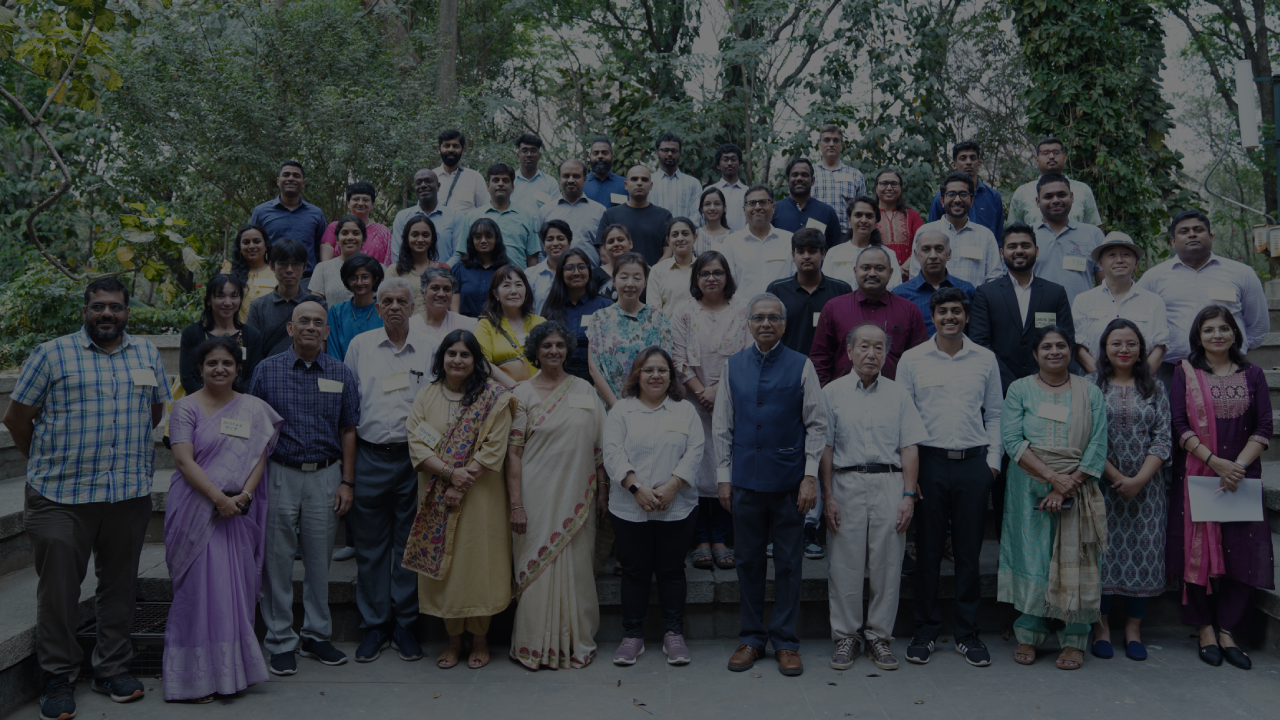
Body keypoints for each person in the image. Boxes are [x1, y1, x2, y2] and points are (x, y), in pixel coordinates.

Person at [3, 277, 170, 719]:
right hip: (61, 495)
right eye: (98, 307)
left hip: (126, 493)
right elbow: (18, 417)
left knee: (119, 587)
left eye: (115, 307)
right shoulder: (52, 353)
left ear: (127, 312)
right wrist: (43, 462)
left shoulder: (146, 353)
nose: (107, 315)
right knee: (58, 592)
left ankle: (112, 669)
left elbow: (154, 411)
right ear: (85, 310)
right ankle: (58, 676)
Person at [162, 337, 282, 702]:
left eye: (227, 363)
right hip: (197, 509)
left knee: (232, 591)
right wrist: (219, 499)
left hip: (237, 513)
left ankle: (233, 673)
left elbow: (259, 457)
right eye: (212, 363)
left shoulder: (254, 408)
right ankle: (193, 681)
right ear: (200, 369)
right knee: (198, 593)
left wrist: (242, 497)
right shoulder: (185, 407)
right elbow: (184, 460)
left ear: (237, 368)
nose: (219, 369)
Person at [713, 293, 827, 676]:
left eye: (773, 318)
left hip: (789, 481)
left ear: (783, 323)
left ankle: (786, 641)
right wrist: (725, 478)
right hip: (745, 481)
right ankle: (751, 638)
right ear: (748, 323)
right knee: (746, 561)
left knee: (790, 563)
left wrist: (810, 476)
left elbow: (817, 425)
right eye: (758, 317)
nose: (765, 323)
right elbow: (722, 426)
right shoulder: (734, 366)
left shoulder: (801, 365)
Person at [248, 301, 359, 676]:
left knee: (318, 559)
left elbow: (348, 429)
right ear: (290, 329)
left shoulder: (341, 372)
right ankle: (280, 640)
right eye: (303, 321)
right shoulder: (267, 371)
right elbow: (256, 428)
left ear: (327, 332)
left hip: (327, 475)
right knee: (277, 560)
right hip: (280, 473)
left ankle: (316, 635)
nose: (311, 327)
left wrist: (347, 480)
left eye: (318, 322)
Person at [896, 288, 1004, 667]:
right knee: (926, 552)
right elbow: (903, 419)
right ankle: (924, 631)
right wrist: (910, 475)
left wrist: (992, 465)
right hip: (928, 463)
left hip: (974, 464)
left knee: (969, 554)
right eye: (943, 311)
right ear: (933, 315)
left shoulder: (985, 359)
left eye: (956, 311)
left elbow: (995, 414)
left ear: (967, 316)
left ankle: (967, 633)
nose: (950, 318)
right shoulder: (912, 359)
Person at [403, 330, 517, 670]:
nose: (457, 360)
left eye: (465, 354)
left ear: (476, 361)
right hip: (437, 492)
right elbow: (416, 439)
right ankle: (453, 640)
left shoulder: (493, 397)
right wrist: (450, 474)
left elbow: (494, 446)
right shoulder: (427, 394)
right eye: (451, 353)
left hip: (481, 496)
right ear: (442, 358)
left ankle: (480, 637)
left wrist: (464, 479)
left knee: (478, 563)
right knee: (447, 569)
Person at [1169, 306, 1274, 670]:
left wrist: (1238, 467)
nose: (1217, 335)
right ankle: (1205, 629)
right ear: (1198, 336)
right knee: (1198, 549)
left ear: (1235, 334)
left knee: (1241, 551)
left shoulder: (1254, 374)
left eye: (1224, 329)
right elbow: (1179, 424)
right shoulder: (1187, 373)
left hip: (1242, 476)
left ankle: (1228, 630)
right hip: (1200, 472)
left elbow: (1264, 426)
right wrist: (1215, 462)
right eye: (1209, 329)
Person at [998, 326, 1108, 671]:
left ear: (1071, 351)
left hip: (1078, 485)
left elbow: (1099, 443)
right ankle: (1029, 631)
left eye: (1062, 346)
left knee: (1078, 559)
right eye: (1047, 347)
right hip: (1029, 485)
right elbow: (1012, 440)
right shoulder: (1020, 389)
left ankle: (1075, 638)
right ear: (1035, 354)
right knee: (1033, 557)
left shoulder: (1089, 392)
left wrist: (1067, 484)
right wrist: (1051, 479)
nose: (1055, 352)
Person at [822, 323, 927, 671]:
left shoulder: (898, 394)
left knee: (888, 564)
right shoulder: (832, 393)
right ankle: (847, 637)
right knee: (844, 564)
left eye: (879, 348)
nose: (871, 353)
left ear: (886, 354)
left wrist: (909, 495)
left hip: (889, 483)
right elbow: (826, 448)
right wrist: (828, 496)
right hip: (845, 483)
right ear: (849, 351)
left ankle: (879, 637)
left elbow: (909, 446)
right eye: (864, 346)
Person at [507, 321, 607, 669]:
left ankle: (573, 642)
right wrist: (516, 504)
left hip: (578, 495)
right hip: (535, 496)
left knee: (577, 570)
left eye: (560, 345)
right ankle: (534, 645)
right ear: (535, 350)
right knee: (536, 567)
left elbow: (599, 448)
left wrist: (603, 492)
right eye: (546, 345)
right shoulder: (521, 393)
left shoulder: (583, 389)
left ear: (568, 350)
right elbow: (513, 454)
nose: (553, 351)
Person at [343, 278, 431, 664]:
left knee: (410, 545)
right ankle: (376, 624)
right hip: (370, 456)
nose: (394, 306)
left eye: (401, 300)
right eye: (386, 301)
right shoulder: (360, 346)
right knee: (370, 546)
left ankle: (406, 624)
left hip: (416, 460)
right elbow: (348, 404)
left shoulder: (430, 348)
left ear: (414, 307)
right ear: (376, 308)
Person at [604, 346, 705, 666]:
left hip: (676, 506)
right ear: (637, 374)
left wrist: (673, 486)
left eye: (662, 370)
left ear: (671, 376)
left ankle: (673, 634)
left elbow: (695, 451)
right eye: (648, 370)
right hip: (628, 506)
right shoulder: (621, 410)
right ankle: (632, 636)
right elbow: (612, 452)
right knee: (634, 572)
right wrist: (635, 488)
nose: (656, 376)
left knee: (672, 570)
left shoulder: (684, 410)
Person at [1085, 319, 1170, 662]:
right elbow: (1086, 436)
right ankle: (1101, 627)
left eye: (1131, 343)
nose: (1124, 350)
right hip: (1101, 487)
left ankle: (1133, 629)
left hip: (1147, 491)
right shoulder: (1091, 385)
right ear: (1104, 348)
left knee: (1144, 557)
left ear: (1141, 349)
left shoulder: (1156, 387)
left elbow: (1163, 437)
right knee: (1101, 558)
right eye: (1116, 343)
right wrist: (1117, 477)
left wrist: (1138, 480)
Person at [671, 251, 752, 570]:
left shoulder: (744, 310)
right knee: (696, 465)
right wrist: (702, 392)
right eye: (704, 273)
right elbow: (677, 359)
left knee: (724, 465)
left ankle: (721, 538)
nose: (711, 279)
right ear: (696, 279)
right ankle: (701, 540)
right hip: (693, 403)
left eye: (717, 273)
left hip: (733, 400)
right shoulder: (684, 312)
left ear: (727, 276)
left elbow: (748, 353)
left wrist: (718, 391)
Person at [1136, 210, 1269, 386]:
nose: (1192, 234)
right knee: (1174, 414)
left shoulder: (1241, 273)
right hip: (1171, 369)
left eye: (1198, 229)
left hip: (1227, 367)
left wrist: (1233, 350)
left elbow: (1258, 324)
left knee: (1230, 414)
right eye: (1184, 231)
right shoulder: (1153, 278)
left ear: (1211, 236)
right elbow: (1137, 320)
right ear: (1173, 242)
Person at [969, 223, 1076, 392]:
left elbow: (1067, 340)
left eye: (1026, 246)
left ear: (1037, 251)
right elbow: (980, 343)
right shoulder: (986, 293)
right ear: (1002, 253)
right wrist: (1012, 384)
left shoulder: (1055, 293)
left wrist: (1040, 381)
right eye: (1012, 246)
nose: (1019, 251)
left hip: (1047, 385)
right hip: (999, 387)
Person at [812, 245, 927, 383]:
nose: (872, 273)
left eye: (879, 269)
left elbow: (921, 359)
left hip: (894, 398)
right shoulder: (834, 308)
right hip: (842, 399)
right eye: (865, 268)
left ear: (891, 273)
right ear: (855, 271)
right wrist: (824, 396)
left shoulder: (908, 310)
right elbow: (820, 358)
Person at [1072, 232, 1168, 374]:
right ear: (1100, 263)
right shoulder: (1083, 301)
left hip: (1141, 384)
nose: (1119, 260)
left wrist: (1139, 382)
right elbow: (1079, 347)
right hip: (1094, 385)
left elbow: (1159, 347)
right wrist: (1102, 380)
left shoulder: (1154, 302)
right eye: (1111, 255)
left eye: (1126, 255)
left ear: (1135, 263)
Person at [587, 253, 673, 409]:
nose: (630, 284)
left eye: (637, 278)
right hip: (609, 406)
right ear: (613, 280)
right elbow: (594, 369)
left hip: (649, 406)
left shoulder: (658, 318)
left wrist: (644, 405)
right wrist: (617, 407)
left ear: (645, 282)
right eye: (624, 277)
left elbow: (665, 366)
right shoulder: (599, 318)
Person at [910, 172, 1003, 288]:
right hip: (932, 304)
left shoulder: (985, 236)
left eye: (963, 194)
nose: (957, 200)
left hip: (974, 304)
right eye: (951, 194)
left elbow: (994, 279)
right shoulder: (925, 232)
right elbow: (915, 276)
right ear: (942, 201)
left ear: (972, 201)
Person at [769, 229, 852, 356]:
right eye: (800, 251)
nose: (806, 256)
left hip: (829, 368)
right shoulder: (776, 290)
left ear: (823, 254)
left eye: (812, 251)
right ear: (793, 255)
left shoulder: (841, 289)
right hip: (788, 366)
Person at [540, 247, 614, 382]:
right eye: (569, 268)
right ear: (561, 273)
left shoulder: (605, 305)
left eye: (581, 267)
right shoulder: (552, 307)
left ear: (589, 270)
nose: (576, 272)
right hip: (560, 376)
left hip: (599, 376)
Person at [179, 274, 263, 393]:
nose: (228, 302)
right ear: (208, 300)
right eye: (220, 296)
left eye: (234, 296)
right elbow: (188, 378)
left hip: (240, 405)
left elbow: (252, 378)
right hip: (200, 406)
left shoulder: (252, 335)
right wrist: (208, 403)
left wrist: (233, 403)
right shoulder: (191, 333)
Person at [245, 238, 328, 358]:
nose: (289, 270)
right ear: (272, 266)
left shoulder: (317, 305)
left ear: (304, 267)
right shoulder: (258, 306)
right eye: (283, 264)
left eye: (296, 264)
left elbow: (321, 345)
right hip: (269, 373)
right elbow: (251, 348)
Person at [1031, 173, 1103, 304]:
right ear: (1037, 201)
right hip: (1038, 318)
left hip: (1082, 318)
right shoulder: (1027, 235)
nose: (1056, 200)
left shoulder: (1093, 234)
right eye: (1048, 196)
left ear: (1072, 197)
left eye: (1061, 195)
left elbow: (1104, 285)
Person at [892, 229, 976, 337]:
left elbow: (975, 334)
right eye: (926, 249)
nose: (933, 256)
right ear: (916, 255)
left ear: (949, 254)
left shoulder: (966, 290)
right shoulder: (901, 294)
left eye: (939, 249)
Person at [249, 160, 327, 272]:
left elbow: (320, 249)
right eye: (286, 175)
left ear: (303, 183)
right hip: (271, 278)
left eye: (296, 176)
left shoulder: (316, 213)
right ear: (278, 181)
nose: (291, 178)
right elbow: (252, 245)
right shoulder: (261, 212)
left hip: (307, 280)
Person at [474, 265, 546, 387]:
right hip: (502, 392)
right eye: (506, 285)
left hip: (540, 390)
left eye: (518, 285)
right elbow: (483, 362)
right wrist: (514, 386)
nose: (514, 291)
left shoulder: (540, 323)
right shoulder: (485, 325)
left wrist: (531, 384)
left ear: (526, 290)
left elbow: (550, 358)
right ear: (496, 294)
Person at [1007, 137, 1102, 228]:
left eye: (1056, 152)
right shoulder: (1022, 193)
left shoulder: (1082, 190)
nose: (1051, 156)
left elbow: (1094, 230)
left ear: (1064, 158)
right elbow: (1013, 232)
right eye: (1045, 153)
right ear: (1037, 160)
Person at [720, 185, 795, 298]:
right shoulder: (731, 243)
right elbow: (728, 283)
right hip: (744, 312)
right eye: (752, 203)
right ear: (744, 209)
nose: (758, 207)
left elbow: (796, 278)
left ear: (773, 207)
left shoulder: (789, 240)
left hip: (783, 311)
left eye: (763, 202)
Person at [596, 165, 674, 266]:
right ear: (626, 185)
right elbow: (604, 253)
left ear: (651, 186)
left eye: (644, 180)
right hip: (620, 278)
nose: (639, 183)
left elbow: (669, 251)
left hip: (654, 279)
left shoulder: (664, 215)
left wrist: (652, 275)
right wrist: (625, 274)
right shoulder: (609, 214)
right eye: (634, 179)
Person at [927, 141, 1004, 243]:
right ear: (954, 165)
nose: (968, 162)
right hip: (950, 255)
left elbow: (998, 238)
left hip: (984, 255)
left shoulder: (993, 197)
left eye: (972, 158)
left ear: (979, 163)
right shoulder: (942, 198)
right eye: (963, 158)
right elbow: (932, 233)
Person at [465, 163, 540, 267]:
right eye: (495, 180)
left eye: (505, 180)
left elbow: (532, 257)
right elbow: (465, 254)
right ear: (487, 186)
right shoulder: (472, 217)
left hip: (517, 279)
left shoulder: (527, 217)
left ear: (512, 187)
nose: (500, 184)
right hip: (481, 279)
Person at [823, 196, 903, 291]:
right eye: (858, 215)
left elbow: (895, 289)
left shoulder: (888, 255)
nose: (864, 220)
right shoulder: (834, 253)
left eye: (869, 216)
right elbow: (826, 289)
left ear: (875, 221)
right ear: (849, 220)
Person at [538, 159, 607, 265]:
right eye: (566, 176)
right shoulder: (545, 211)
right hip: (554, 277)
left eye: (576, 176)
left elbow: (605, 250)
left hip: (592, 277)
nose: (570, 180)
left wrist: (600, 277)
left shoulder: (600, 211)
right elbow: (540, 251)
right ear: (559, 178)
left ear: (585, 179)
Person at [390, 169, 460, 266]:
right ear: (415, 189)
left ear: (438, 186)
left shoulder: (455, 216)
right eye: (418, 183)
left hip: (445, 277)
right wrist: (413, 274)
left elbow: (459, 254)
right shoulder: (402, 217)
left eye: (428, 181)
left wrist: (440, 273)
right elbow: (397, 253)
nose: (423, 185)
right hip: (410, 277)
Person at [325, 254, 386, 363]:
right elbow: (333, 353)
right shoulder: (336, 313)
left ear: (375, 280)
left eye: (365, 277)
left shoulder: (385, 311)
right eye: (353, 278)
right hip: (344, 375)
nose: (359, 282)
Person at [771, 157, 841, 250]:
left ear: (812, 181)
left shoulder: (827, 212)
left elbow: (836, 250)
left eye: (804, 175)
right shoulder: (774, 210)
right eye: (795, 175)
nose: (799, 178)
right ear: (787, 180)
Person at [812, 124, 867, 237]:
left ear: (841, 146)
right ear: (819, 145)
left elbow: (863, 209)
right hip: (814, 235)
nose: (831, 144)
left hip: (846, 235)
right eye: (826, 140)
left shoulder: (855, 175)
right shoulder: (809, 174)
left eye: (836, 140)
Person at [450, 218, 512, 317]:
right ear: (472, 240)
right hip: (466, 327)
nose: (483, 241)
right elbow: (454, 308)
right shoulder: (460, 270)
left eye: (488, 236)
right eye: (478, 237)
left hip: (498, 327)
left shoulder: (506, 271)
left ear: (497, 239)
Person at [390, 214, 452, 310]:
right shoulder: (394, 271)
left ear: (432, 239)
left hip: (439, 324)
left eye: (425, 235)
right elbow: (388, 303)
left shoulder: (444, 269)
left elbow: (451, 307)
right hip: (404, 324)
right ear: (407, 238)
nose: (420, 240)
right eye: (415, 235)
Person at [320, 182, 393, 263]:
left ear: (372, 205)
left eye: (365, 200)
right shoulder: (334, 227)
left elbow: (388, 264)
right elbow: (325, 264)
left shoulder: (383, 231)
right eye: (356, 199)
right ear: (348, 203)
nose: (360, 203)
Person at [410, 266, 479, 347]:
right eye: (435, 288)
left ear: (452, 294)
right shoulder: (411, 325)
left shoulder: (468, 325)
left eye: (447, 289)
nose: (441, 294)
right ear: (423, 293)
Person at [309, 215, 368, 305]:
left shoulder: (378, 268)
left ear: (363, 239)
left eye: (356, 233)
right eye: (344, 233)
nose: (350, 237)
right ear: (337, 239)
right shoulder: (322, 269)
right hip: (332, 319)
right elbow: (315, 306)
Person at [873, 167, 923, 268]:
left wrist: (903, 269)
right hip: (875, 274)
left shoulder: (913, 216)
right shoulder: (868, 215)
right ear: (876, 188)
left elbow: (922, 246)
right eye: (884, 183)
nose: (889, 188)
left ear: (901, 188)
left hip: (908, 274)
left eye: (894, 184)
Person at [649, 217, 698, 315]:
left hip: (701, 329)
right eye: (675, 235)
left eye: (685, 234)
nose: (680, 238)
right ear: (668, 241)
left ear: (695, 238)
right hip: (669, 329)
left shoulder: (704, 268)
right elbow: (654, 311)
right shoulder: (657, 271)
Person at [227, 224, 274, 322]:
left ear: (266, 245)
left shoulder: (277, 272)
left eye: (257, 241)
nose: (252, 246)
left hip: (271, 333)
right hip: (237, 333)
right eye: (246, 242)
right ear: (239, 247)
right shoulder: (229, 272)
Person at [650, 132, 703, 219]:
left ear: (680, 154)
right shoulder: (648, 181)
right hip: (654, 232)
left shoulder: (693, 183)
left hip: (684, 232)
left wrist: (683, 231)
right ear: (657, 153)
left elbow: (696, 214)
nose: (670, 154)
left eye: (674, 151)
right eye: (665, 150)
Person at [434, 129, 489, 212]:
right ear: (439, 149)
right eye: (446, 146)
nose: (451, 150)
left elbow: (484, 210)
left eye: (455, 146)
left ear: (462, 150)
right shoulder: (430, 177)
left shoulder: (475, 178)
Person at [509, 133, 562, 216]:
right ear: (518, 155)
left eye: (533, 151)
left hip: (542, 229)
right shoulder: (509, 181)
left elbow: (555, 212)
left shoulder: (550, 183)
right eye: (524, 151)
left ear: (539, 156)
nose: (529, 154)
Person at [527, 219, 573, 312]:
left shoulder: (578, 273)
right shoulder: (531, 274)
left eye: (560, 239)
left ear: (569, 243)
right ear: (543, 245)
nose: (555, 243)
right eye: (550, 239)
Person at [704, 143, 747, 230]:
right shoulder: (709, 191)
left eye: (733, 159)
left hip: (742, 242)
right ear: (718, 165)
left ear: (740, 164)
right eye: (725, 159)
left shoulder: (747, 192)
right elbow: (703, 219)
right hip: (716, 240)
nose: (730, 163)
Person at [585, 136, 627, 207]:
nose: (600, 156)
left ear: (612, 157)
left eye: (605, 153)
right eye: (596, 153)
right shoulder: (581, 185)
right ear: (590, 158)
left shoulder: (625, 185)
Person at [596, 224, 635, 301]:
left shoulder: (646, 271)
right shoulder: (595, 274)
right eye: (610, 242)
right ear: (604, 248)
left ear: (630, 243)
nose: (616, 244)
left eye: (620, 240)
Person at [694, 186, 732, 254]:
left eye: (717, 204)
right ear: (701, 209)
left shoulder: (733, 236)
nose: (712, 208)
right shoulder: (694, 235)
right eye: (707, 204)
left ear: (724, 208)